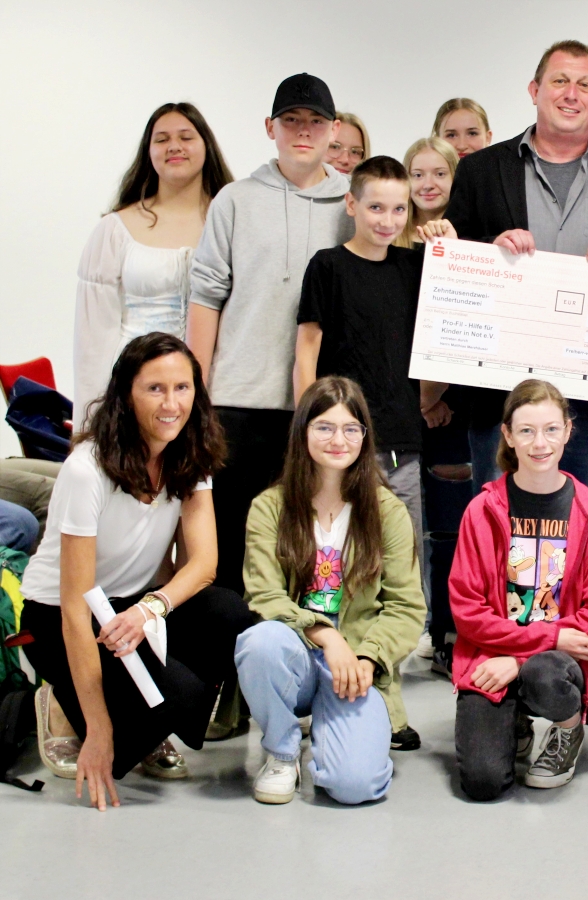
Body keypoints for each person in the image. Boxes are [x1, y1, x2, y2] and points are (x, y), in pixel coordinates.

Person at [444, 40, 588, 729]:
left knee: (581, 536)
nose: (572, 94)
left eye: (585, 85)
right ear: (534, 89)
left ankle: (576, 675)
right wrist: (487, 251)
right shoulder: (481, 170)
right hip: (503, 398)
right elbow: (453, 263)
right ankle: (498, 673)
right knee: (499, 534)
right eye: (560, 82)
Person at [21, 333, 255, 810]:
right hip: (61, 618)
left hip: (133, 607)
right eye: (155, 389)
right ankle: (69, 711)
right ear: (126, 393)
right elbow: (73, 606)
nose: (172, 403)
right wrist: (101, 732)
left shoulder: (189, 452)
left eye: (183, 387)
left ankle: (145, 721)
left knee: (230, 613)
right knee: (182, 701)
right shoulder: (88, 468)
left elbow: (205, 564)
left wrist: (152, 608)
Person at [187, 72, 354, 595]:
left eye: (315, 122)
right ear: (270, 128)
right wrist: (198, 390)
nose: (303, 131)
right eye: (291, 121)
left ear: (334, 130)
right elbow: (206, 296)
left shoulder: (354, 205)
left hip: (325, 410)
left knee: (315, 544)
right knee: (235, 541)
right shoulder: (234, 201)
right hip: (239, 400)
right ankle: (233, 663)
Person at [293, 155, 430, 749]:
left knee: (396, 572)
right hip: (340, 444)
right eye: (375, 206)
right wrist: (307, 431)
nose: (387, 218)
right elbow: (307, 346)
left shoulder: (415, 266)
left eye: (399, 209)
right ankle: (330, 680)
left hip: (401, 441)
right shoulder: (327, 266)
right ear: (351, 204)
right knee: (336, 567)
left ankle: (387, 695)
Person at [236, 377, 425, 805]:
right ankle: (282, 751)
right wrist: (327, 636)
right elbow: (265, 597)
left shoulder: (387, 512)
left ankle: (337, 731)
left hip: (356, 665)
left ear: (364, 436)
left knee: (354, 787)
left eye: (350, 429)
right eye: (324, 427)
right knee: (260, 642)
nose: (338, 439)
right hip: (296, 650)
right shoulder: (270, 507)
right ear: (303, 432)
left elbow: (406, 607)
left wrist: (368, 655)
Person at [449, 380, 588, 800]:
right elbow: (467, 612)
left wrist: (520, 658)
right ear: (507, 434)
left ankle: (566, 728)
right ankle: (514, 725)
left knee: (544, 676)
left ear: (568, 431)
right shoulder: (482, 511)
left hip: (554, 662)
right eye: (526, 431)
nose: (539, 443)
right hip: (491, 657)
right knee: (483, 784)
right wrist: (543, 639)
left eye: (551, 430)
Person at [74, 102, 234, 410]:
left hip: (217, 395)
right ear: (148, 151)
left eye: (186, 137)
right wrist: (88, 422)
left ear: (206, 146)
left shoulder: (233, 222)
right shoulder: (115, 230)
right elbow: (92, 340)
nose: (174, 146)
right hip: (137, 393)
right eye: (161, 139)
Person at [396, 137, 457, 247]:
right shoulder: (389, 232)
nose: (428, 185)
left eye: (440, 174)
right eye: (418, 175)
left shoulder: (473, 234)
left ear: (455, 177)